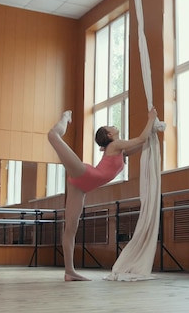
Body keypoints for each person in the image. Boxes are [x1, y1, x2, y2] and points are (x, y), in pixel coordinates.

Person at [48, 107, 158, 281]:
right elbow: (142, 138)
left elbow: (143, 142)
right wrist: (151, 118)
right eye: (110, 126)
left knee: (70, 228)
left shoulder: (119, 149)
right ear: (109, 135)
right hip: (86, 174)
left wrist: (154, 127)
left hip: (82, 186)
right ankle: (65, 117)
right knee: (52, 136)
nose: (113, 125)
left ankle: (69, 272)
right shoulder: (116, 144)